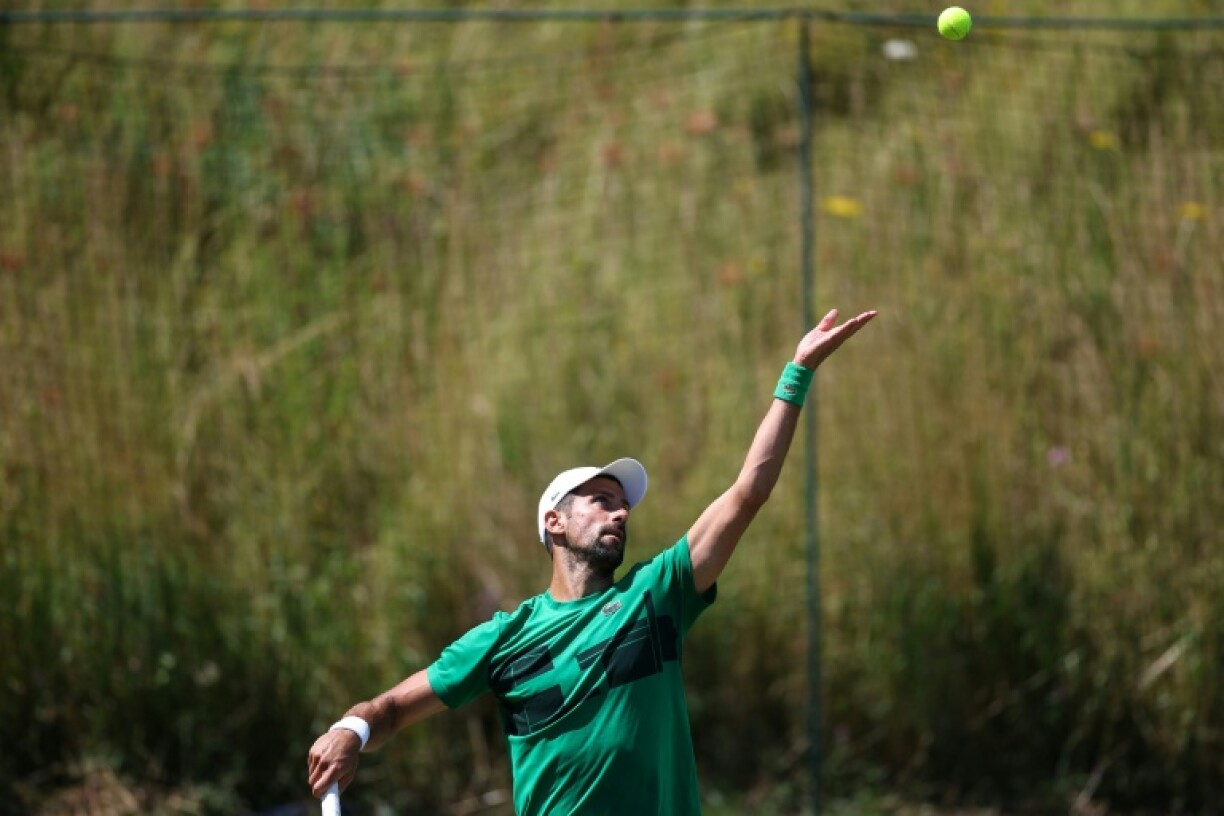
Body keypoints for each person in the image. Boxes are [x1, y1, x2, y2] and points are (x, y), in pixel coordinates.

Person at [307, 307, 877, 815]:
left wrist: (796, 374)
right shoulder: (506, 639)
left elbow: (747, 492)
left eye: (624, 505)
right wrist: (350, 730)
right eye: (601, 501)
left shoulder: (657, 596)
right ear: (554, 522)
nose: (621, 513)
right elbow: (391, 709)